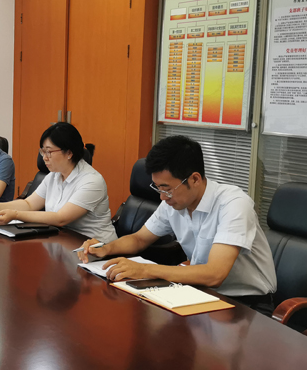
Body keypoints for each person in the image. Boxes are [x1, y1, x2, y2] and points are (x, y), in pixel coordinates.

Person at [77, 135, 277, 315]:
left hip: (247, 305)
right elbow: (139, 239)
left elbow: (215, 274)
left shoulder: (233, 204)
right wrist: (105, 248)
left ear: (195, 179)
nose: (162, 197)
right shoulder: (173, 202)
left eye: (167, 189)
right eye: (158, 188)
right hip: (202, 293)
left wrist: (145, 270)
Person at [0, 122, 117, 243]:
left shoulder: (91, 181)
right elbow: (29, 204)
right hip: (63, 241)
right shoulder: (54, 175)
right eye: (42, 152)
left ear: (69, 153)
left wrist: (15, 214)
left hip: (96, 247)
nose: (44, 157)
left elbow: (61, 218)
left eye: (49, 152)